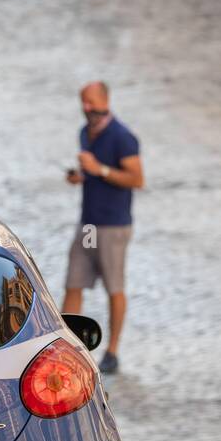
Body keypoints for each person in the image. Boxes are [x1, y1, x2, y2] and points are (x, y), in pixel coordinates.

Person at [62, 80, 143, 374]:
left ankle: (112, 351)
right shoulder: (84, 133)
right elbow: (91, 171)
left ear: (105, 101)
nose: (87, 108)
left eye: (92, 102)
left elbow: (136, 179)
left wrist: (101, 170)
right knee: (73, 281)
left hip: (113, 224)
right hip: (88, 223)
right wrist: (81, 176)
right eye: (83, 102)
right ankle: (66, 346)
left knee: (114, 287)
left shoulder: (123, 137)